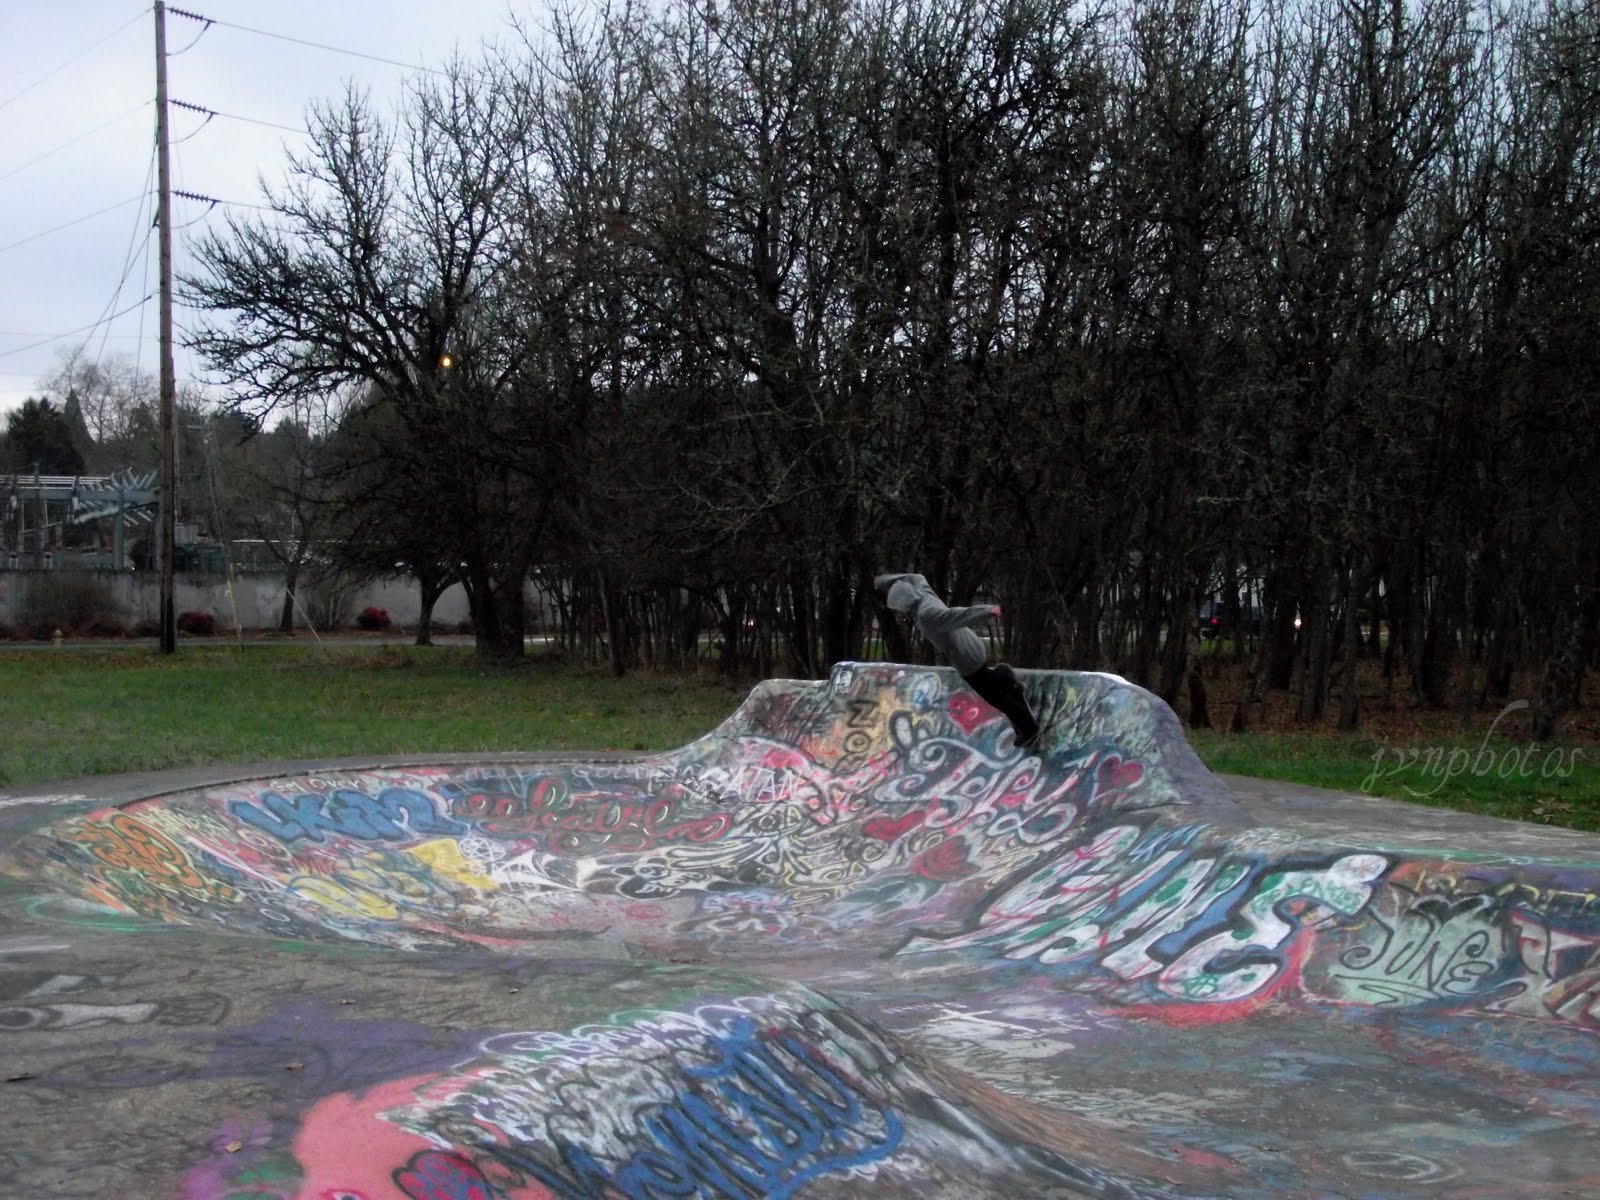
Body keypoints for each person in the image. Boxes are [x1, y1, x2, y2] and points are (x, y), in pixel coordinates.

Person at [875, 572, 1041, 750]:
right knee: (988, 680)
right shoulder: (924, 593)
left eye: (900, 609)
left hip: (966, 657)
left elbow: (958, 615)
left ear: (904, 604)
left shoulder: (926, 615)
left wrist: (987, 611)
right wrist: (887, 580)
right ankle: (1004, 678)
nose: (901, 613)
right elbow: (917, 576)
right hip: (972, 644)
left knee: (996, 698)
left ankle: (1029, 729)